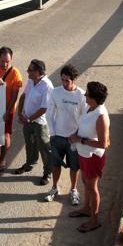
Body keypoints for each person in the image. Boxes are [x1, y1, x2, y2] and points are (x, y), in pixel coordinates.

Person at [68, 81, 110, 233]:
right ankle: (86, 209)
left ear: (94, 98)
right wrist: (75, 135)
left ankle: (94, 220)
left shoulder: (101, 116)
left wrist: (80, 140)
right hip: (84, 153)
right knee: (85, 182)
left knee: (92, 187)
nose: (84, 95)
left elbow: (104, 144)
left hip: (93, 156)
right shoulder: (89, 108)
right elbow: (83, 125)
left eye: (87, 94)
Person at [43, 64, 86, 204]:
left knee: (74, 167)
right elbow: (49, 114)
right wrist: (53, 133)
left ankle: (73, 190)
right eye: (62, 80)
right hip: (58, 137)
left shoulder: (82, 95)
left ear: (74, 80)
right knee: (55, 165)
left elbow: (85, 118)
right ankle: (54, 188)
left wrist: (78, 136)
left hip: (74, 139)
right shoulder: (55, 92)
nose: (64, 83)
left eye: (67, 80)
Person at [14, 59, 54, 186]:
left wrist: (29, 119)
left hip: (40, 122)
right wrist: (20, 113)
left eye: (30, 70)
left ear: (38, 72)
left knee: (44, 147)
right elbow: (23, 96)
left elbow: (44, 108)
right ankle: (29, 163)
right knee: (29, 143)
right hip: (27, 119)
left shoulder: (47, 86)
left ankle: (48, 172)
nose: (27, 72)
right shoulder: (31, 81)